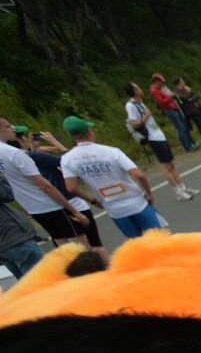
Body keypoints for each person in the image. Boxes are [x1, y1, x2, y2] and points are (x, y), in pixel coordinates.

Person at [11, 120, 107, 261]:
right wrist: (54, 141)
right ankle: (104, 270)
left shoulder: (22, 159)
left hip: (45, 206)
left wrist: (33, 148)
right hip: (69, 199)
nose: (27, 138)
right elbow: (68, 160)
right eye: (23, 137)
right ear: (19, 142)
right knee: (92, 242)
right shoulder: (36, 156)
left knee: (62, 243)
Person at [60, 115, 166, 240]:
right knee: (159, 239)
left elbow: (71, 188)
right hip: (137, 202)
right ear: (89, 131)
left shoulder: (67, 159)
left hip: (113, 208)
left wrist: (93, 200)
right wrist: (149, 194)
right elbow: (139, 175)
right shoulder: (112, 151)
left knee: (136, 243)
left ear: (72, 136)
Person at [124, 84, 199, 199]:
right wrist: (145, 117)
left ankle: (183, 187)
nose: (140, 88)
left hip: (159, 135)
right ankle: (177, 191)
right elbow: (133, 123)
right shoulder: (130, 105)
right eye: (137, 88)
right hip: (152, 138)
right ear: (134, 91)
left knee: (171, 164)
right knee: (165, 166)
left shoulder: (140, 102)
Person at [0, 169, 44, 279]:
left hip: (5, 244)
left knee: (25, 283)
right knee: (41, 278)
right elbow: (6, 193)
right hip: (13, 238)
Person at [149, 73, 199, 152]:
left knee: (182, 127)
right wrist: (171, 96)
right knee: (180, 128)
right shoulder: (155, 90)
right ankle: (187, 146)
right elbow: (162, 102)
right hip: (170, 110)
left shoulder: (160, 89)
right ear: (156, 81)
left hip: (174, 108)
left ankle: (189, 144)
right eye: (161, 82)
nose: (163, 84)